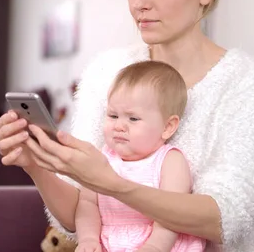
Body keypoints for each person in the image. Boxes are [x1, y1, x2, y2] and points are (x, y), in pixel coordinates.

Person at [0, 0, 254, 251]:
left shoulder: (248, 81)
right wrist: (37, 166)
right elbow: (74, 219)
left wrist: (112, 184)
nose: (139, 3)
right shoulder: (106, 71)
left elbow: (228, 219)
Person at [75, 61, 205, 252]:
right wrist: (88, 239)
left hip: (159, 243)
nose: (119, 125)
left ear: (167, 127)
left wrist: (155, 246)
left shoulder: (169, 161)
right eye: (112, 115)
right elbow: (87, 203)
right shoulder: (103, 158)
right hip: (109, 243)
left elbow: (172, 212)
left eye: (133, 118)